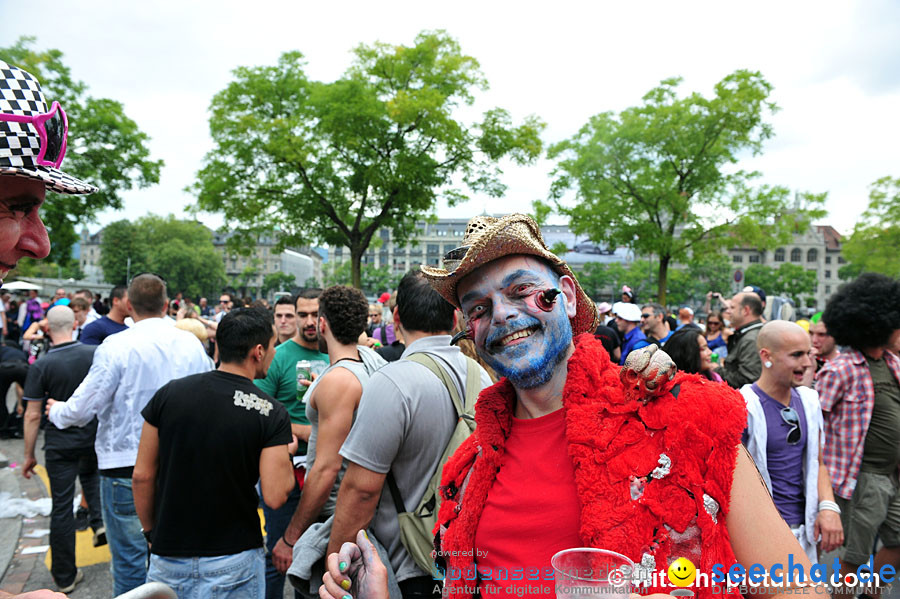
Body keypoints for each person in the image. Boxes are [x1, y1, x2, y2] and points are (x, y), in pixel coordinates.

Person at [416, 214, 811, 599]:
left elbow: (795, 588)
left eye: (521, 290)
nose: (501, 313)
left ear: (567, 297)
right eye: (479, 309)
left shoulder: (686, 418)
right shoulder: (467, 469)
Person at [326, 271, 492, 598]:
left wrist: (336, 566)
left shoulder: (392, 382)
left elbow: (360, 491)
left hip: (403, 572)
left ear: (396, 317)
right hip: (464, 564)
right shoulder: (482, 378)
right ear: (455, 316)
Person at [46, 273, 212, 595]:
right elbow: (207, 395)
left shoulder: (117, 346)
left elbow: (82, 409)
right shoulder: (191, 344)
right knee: (177, 561)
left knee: (130, 564)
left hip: (125, 466)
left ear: (129, 306)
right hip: (178, 464)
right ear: (166, 305)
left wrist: (55, 411)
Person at [133, 307, 297, 599]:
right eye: (272, 346)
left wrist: (150, 532)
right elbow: (274, 495)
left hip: (169, 553)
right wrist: (285, 452)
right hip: (234, 557)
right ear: (258, 351)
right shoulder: (270, 411)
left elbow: (143, 475)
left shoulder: (169, 394)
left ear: (219, 345)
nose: (274, 353)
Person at [272, 286, 387, 582]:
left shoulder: (339, 380)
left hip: (333, 516)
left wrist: (290, 537)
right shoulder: (369, 363)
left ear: (323, 324)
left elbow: (325, 470)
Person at [816, 273, 900, 599]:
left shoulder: (894, 363)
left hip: (891, 476)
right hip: (859, 479)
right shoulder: (841, 369)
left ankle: (870, 594)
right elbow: (815, 423)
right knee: (853, 558)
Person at [740, 321, 843, 565]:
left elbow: (817, 461)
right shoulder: (744, 406)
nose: (806, 363)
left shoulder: (808, 400)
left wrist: (828, 507)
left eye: (808, 353)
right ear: (767, 356)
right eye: (796, 355)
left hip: (805, 532)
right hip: (762, 538)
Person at [21, 306, 103, 593]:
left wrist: (29, 455)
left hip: (60, 444)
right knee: (92, 477)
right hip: (92, 438)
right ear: (76, 323)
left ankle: (65, 576)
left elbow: (32, 415)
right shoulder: (94, 355)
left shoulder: (41, 365)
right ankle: (99, 520)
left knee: (61, 507)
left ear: (47, 328)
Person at [255, 289, 329, 599]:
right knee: (279, 553)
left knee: (316, 560)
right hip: (288, 473)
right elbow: (258, 408)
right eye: (303, 315)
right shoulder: (280, 357)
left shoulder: (336, 354)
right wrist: (303, 431)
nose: (309, 321)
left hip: (328, 472)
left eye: (315, 314)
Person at [720, 291, 764, 389]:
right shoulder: (749, 335)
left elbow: (747, 380)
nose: (728, 312)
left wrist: (715, 369)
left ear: (746, 310)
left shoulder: (751, 340)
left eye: (732, 307)